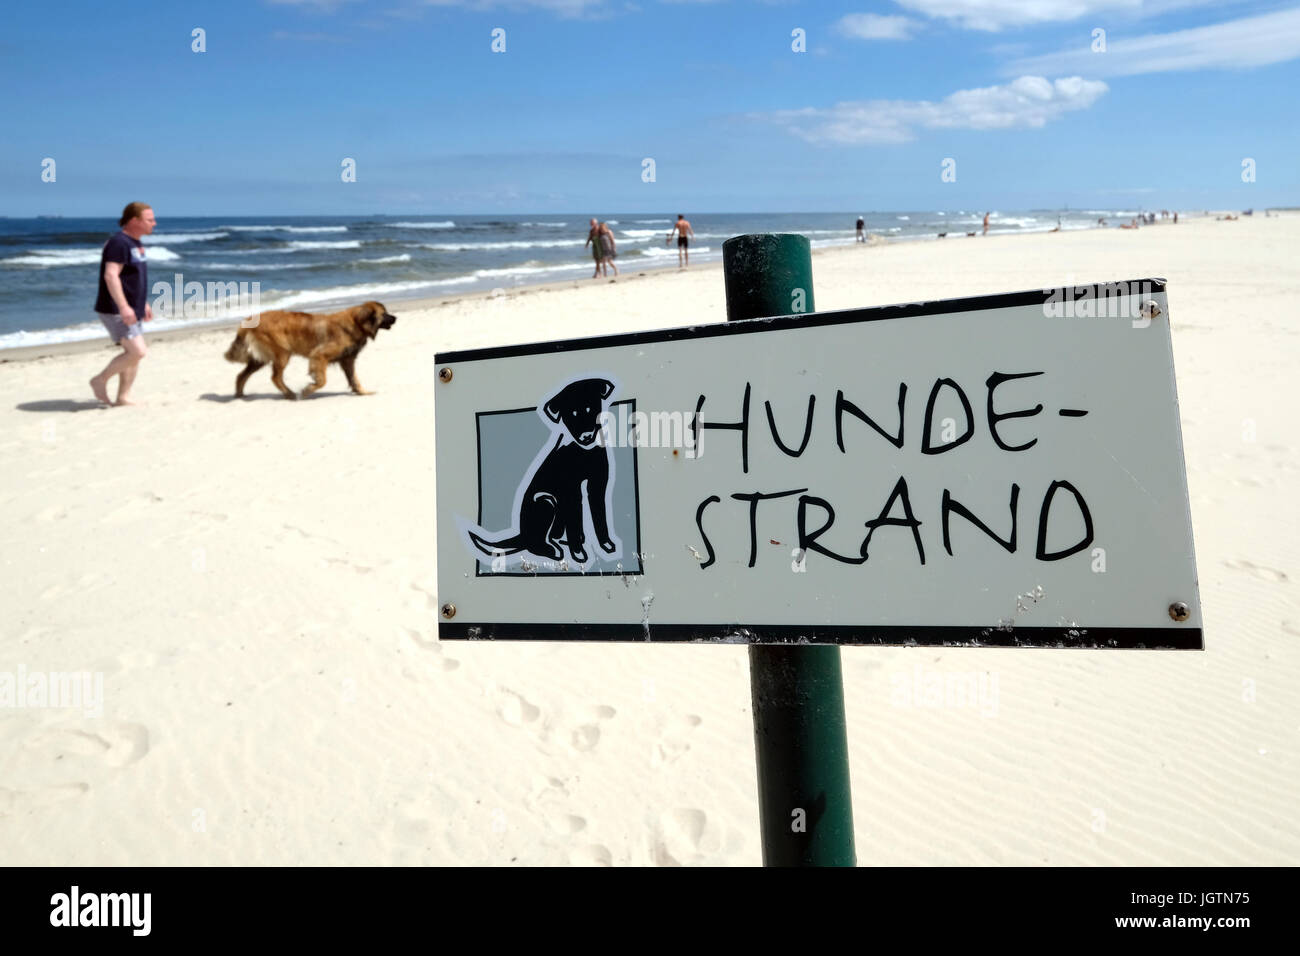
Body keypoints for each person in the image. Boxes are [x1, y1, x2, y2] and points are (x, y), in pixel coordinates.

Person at [90, 202, 155, 406]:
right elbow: (111, 276)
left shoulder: (136, 244)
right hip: (115, 308)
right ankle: (100, 380)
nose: (154, 223)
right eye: (149, 220)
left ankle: (123, 397)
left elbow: (134, 278)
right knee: (138, 351)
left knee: (132, 355)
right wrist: (124, 307)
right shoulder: (119, 243)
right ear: (134, 221)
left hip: (133, 308)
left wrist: (143, 303)